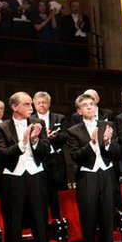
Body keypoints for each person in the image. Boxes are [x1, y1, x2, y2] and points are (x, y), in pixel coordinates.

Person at [0, 92, 54, 242]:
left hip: (36, 177)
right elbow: (1, 155)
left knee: (41, 228)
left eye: (31, 103)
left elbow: (46, 151)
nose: (31, 107)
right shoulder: (1, 128)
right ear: (14, 107)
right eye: (26, 104)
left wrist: (36, 141)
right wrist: (23, 142)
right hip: (13, 179)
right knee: (13, 230)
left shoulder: (38, 123)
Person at [67, 94, 122, 242]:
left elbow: (117, 151)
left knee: (108, 222)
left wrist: (107, 143)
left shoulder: (108, 125)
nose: (90, 108)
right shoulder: (73, 131)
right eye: (86, 105)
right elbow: (76, 157)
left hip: (107, 174)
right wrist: (91, 143)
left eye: (92, 104)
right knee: (89, 224)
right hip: (87, 177)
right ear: (79, 111)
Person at [33, 91, 69, 219]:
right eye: (38, 103)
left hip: (56, 160)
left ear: (49, 103)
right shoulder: (30, 120)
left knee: (57, 194)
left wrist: (56, 136)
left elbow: (66, 136)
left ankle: (59, 221)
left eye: (44, 102)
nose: (41, 105)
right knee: (40, 193)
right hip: (38, 159)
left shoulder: (59, 118)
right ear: (34, 104)